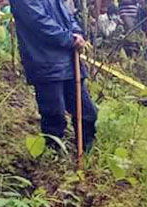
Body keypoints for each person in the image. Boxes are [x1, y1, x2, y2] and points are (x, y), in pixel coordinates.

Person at [11, 0, 98, 153]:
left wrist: (77, 33)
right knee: (54, 116)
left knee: (87, 112)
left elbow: (67, 16)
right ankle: (53, 157)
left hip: (69, 60)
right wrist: (69, 39)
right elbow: (38, 23)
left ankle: (87, 155)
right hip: (44, 61)